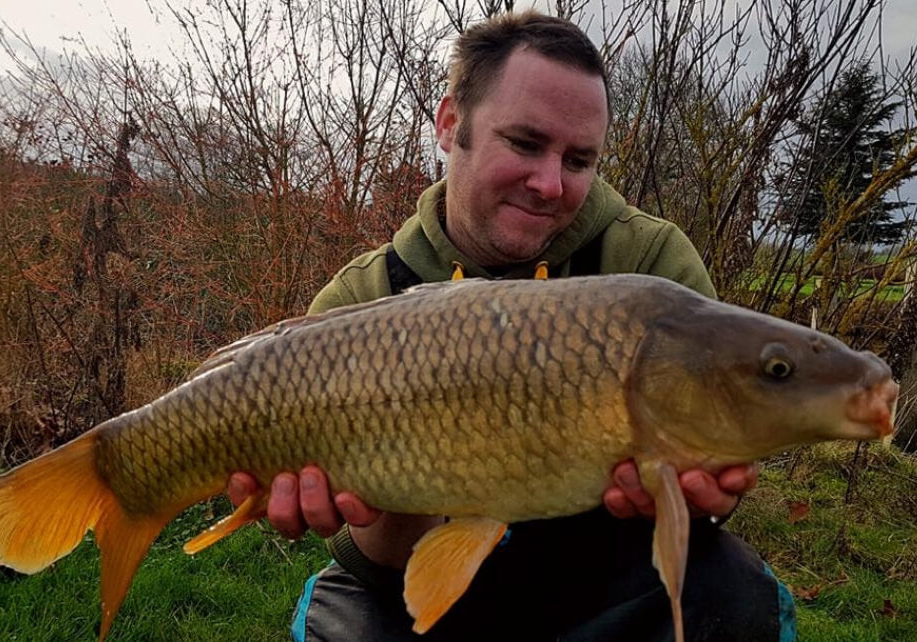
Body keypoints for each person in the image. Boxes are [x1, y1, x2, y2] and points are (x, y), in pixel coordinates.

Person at [228, 11, 795, 642]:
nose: (550, 183)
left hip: (604, 575)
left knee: (732, 586)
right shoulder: (362, 298)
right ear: (450, 125)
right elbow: (376, 560)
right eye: (525, 144)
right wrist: (380, 503)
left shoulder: (648, 266)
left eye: (579, 159)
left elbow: (722, 460)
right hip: (427, 576)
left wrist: (699, 496)